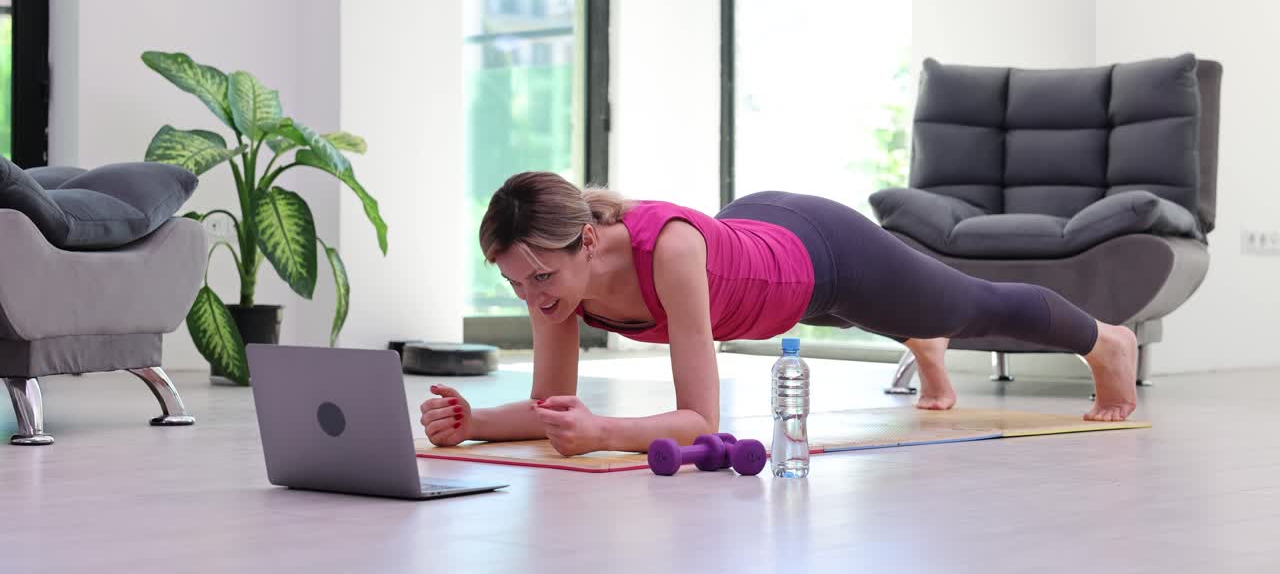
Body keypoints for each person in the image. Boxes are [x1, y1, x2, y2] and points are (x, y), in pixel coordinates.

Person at [420, 172, 1138, 456]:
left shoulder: (666, 252)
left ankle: (1105, 342)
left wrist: (604, 430)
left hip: (821, 251)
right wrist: (474, 423)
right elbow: (551, 404)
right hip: (751, 243)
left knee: (966, 305)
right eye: (514, 285)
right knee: (897, 314)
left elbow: (700, 420)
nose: (534, 298)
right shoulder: (553, 279)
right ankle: (921, 343)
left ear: (587, 239)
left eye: (540, 277)